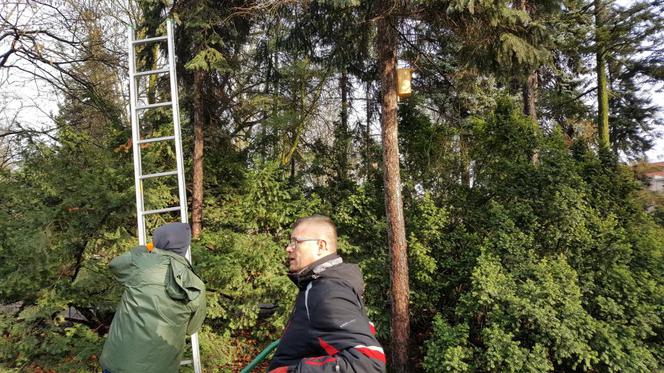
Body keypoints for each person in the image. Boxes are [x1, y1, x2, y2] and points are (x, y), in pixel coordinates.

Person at [268, 215, 386, 373]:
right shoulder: (327, 284)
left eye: (296, 242)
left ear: (320, 246)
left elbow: (369, 363)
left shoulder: (326, 291)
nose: (289, 248)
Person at [100, 222, 206, 373]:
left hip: (119, 363)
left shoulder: (141, 264)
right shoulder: (197, 285)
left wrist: (146, 248)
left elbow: (115, 265)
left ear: (158, 242)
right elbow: (191, 328)